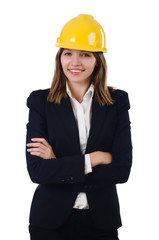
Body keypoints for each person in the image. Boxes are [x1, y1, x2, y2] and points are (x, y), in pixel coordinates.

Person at [26, 14, 132, 240]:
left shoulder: (117, 102)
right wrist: (94, 159)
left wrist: (58, 164)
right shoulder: (40, 102)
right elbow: (37, 171)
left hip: (101, 222)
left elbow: (122, 170)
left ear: (97, 60)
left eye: (85, 54)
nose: (75, 62)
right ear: (59, 58)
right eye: (68, 53)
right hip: (49, 224)